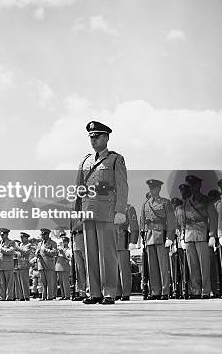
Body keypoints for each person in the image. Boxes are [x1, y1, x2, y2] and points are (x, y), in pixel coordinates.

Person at [76, 121, 128, 305]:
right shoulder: (85, 160)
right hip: (88, 211)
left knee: (107, 254)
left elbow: (122, 187)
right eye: (91, 137)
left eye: (97, 136)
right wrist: (77, 213)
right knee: (90, 254)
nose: (94, 140)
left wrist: (120, 211)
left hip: (107, 211)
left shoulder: (115, 159)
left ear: (106, 137)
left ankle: (109, 292)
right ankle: (94, 292)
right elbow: (79, 188)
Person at [179, 175, 217, 298]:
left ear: (199, 185)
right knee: (193, 265)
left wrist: (212, 235)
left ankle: (206, 290)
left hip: (201, 234)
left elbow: (213, 218)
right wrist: (183, 237)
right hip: (190, 236)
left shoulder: (206, 200)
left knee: (204, 265)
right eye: (190, 185)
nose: (192, 187)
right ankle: (195, 290)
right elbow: (183, 221)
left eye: (194, 185)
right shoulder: (186, 202)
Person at [140, 179, 176, 300]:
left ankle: (165, 291)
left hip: (161, 235)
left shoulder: (165, 202)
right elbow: (143, 222)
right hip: (149, 236)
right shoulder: (146, 204)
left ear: (159, 189)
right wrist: (143, 238)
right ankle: (155, 291)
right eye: (150, 188)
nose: (152, 190)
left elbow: (171, 220)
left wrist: (170, 237)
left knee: (163, 266)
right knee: (152, 266)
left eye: (154, 188)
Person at [116, 202, 139, 301]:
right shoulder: (109, 206)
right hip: (110, 238)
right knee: (113, 268)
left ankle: (125, 293)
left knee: (124, 268)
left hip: (122, 238)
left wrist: (133, 241)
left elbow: (134, 226)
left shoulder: (129, 208)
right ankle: (116, 292)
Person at [34, 228, 57, 300]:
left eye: (44, 235)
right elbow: (36, 254)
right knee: (43, 282)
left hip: (49, 264)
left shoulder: (53, 243)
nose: (42, 236)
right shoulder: (39, 244)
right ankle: (43, 296)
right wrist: (37, 254)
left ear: (47, 235)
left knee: (50, 282)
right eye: (42, 235)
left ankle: (49, 296)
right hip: (41, 264)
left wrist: (45, 250)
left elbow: (54, 252)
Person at [0, 228, 15, 301]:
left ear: (7, 234)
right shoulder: (0, 242)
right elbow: (0, 252)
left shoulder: (11, 242)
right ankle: (2, 297)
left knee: (9, 283)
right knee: (1, 283)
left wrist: (1, 249)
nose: (1, 236)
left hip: (8, 265)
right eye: (0, 235)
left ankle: (9, 297)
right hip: (1, 265)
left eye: (3, 235)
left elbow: (11, 251)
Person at [16, 233, 33, 301]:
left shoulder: (28, 245)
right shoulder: (21, 245)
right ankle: (21, 296)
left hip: (24, 265)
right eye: (21, 237)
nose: (21, 239)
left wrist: (17, 248)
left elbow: (25, 252)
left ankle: (26, 296)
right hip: (19, 264)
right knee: (19, 282)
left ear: (26, 238)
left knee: (24, 282)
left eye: (23, 237)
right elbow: (19, 253)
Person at [56, 236, 72, 300]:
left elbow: (69, 258)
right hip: (59, 267)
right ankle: (63, 295)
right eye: (63, 242)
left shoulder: (69, 250)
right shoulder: (60, 249)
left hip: (65, 267)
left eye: (65, 241)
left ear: (67, 242)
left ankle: (67, 295)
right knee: (61, 282)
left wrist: (63, 254)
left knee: (66, 282)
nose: (63, 243)